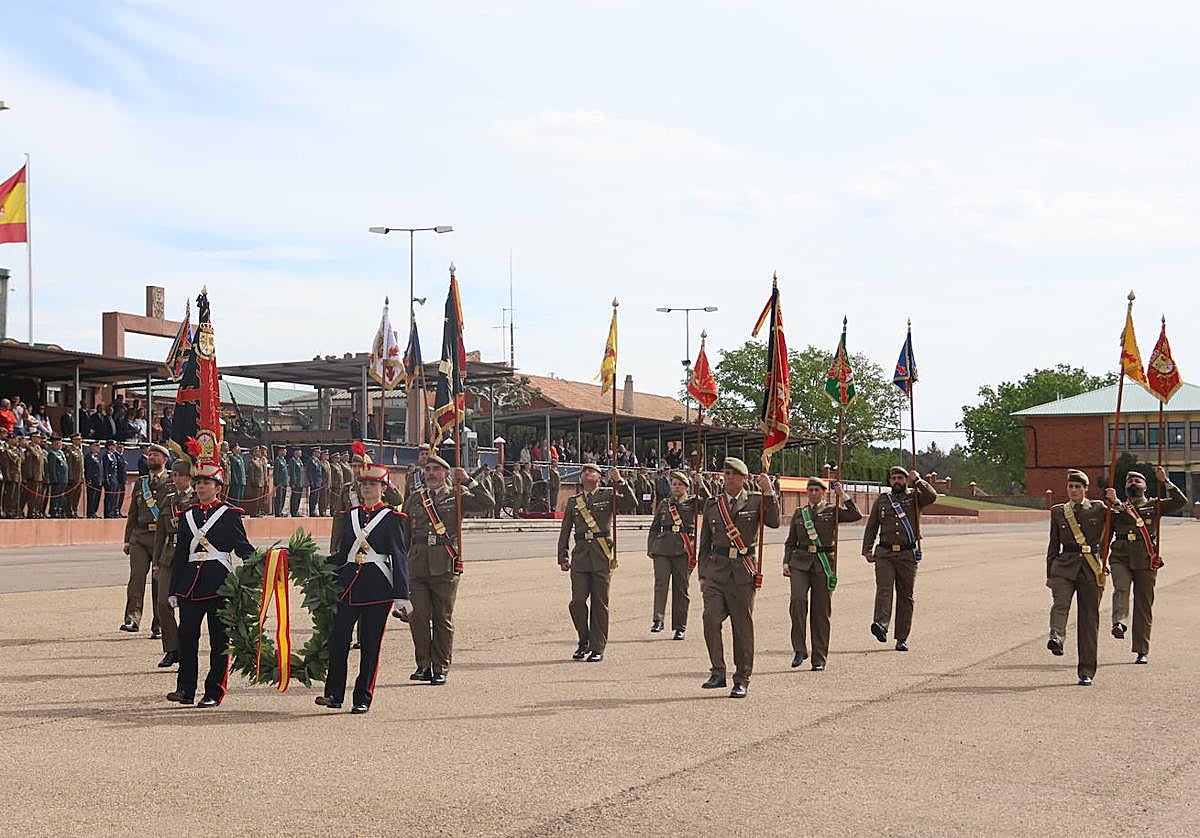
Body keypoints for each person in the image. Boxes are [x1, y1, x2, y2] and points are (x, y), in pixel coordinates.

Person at [318, 462, 410, 713]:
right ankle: (334, 695)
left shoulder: (393, 519)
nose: (367, 488)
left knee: (370, 646)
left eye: (373, 484)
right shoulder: (351, 516)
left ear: (383, 488)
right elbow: (343, 554)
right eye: (364, 484)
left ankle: (362, 698)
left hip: (377, 588)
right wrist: (313, 562)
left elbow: (399, 557)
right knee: (338, 641)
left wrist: (402, 596)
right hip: (347, 585)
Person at [167, 462, 255, 707]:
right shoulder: (187, 516)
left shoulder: (229, 515)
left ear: (218, 487)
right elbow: (181, 555)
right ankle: (185, 689)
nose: (201, 487)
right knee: (186, 640)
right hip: (190, 586)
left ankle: (214, 692)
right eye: (199, 483)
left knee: (219, 642)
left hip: (219, 585)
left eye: (207, 483)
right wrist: (174, 589)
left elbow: (243, 548)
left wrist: (261, 564)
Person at [400, 454, 493, 684]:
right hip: (417, 565)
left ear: (446, 473)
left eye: (436, 469)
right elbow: (404, 535)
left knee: (443, 618)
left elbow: (487, 503)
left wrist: (469, 480)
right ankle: (423, 665)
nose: (431, 473)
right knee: (417, 617)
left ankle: (440, 667)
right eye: (428, 469)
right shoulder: (414, 498)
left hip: (445, 564)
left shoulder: (457, 494)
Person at [696, 457, 780, 698]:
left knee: (742, 627)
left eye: (734, 473)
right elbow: (705, 543)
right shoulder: (713, 504)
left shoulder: (755, 500)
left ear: (744, 478)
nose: (728, 476)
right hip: (716, 572)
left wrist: (768, 492)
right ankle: (717, 671)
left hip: (743, 572)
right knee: (710, 618)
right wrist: (703, 574)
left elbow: (773, 522)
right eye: (726, 472)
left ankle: (742, 677)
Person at [1105, 467, 1188, 665]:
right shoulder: (1116, 507)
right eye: (1130, 481)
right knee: (1121, 587)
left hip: (1146, 559)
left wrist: (1165, 481)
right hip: (1120, 557)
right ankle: (1119, 623)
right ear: (1125, 487)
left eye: (1137, 481)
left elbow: (1181, 502)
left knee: (1144, 606)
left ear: (1145, 486)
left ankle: (1141, 650)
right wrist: (1101, 561)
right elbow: (1106, 535)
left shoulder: (1154, 505)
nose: (1133, 483)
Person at [556, 464, 635, 663]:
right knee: (577, 602)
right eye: (584, 471)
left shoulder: (608, 495)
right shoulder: (574, 502)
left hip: (601, 555)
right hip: (581, 557)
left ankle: (597, 646)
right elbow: (565, 530)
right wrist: (562, 557)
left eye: (591, 471)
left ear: (600, 477)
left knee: (600, 604)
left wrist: (620, 481)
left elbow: (631, 503)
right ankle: (584, 640)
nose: (587, 473)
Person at [783, 477, 861, 671]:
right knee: (797, 601)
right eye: (810, 490)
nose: (813, 493)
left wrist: (842, 495)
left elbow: (855, 515)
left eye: (817, 490)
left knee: (821, 612)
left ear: (824, 492)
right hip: (800, 562)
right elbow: (790, 541)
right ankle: (799, 649)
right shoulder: (800, 513)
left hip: (823, 564)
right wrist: (786, 561)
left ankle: (819, 658)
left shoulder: (832, 511)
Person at [861, 466, 938, 652]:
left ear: (906, 480)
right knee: (884, 590)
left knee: (906, 596)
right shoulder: (883, 500)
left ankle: (902, 637)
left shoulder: (915, 498)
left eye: (900, 478)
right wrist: (867, 548)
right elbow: (872, 526)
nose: (897, 481)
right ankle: (881, 625)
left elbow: (932, 496)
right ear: (890, 481)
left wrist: (918, 480)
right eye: (894, 478)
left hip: (907, 555)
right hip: (885, 553)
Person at [1046, 469, 1109, 686]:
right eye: (1070, 487)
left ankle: (1086, 671)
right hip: (1064, 566)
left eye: (1077, 487)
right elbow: (1053, 544)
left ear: (1085, 489)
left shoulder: (1099, 508)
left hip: (1090, 568)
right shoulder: (1058, 511)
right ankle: (1056, 638)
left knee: (1089, 620)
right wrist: (1049, 573)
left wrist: (1115, 501)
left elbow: (1121, 520)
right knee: (1060, 604)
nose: (1073, 490)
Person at [120, 444, 171, 635]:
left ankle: (159, 623)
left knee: (160, 581)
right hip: (140, 538)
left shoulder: (171, 482)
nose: (151, 458)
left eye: (156, 455)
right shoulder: (141, 483)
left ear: (165, 459)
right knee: (136, 578)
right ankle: (132, 618)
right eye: (150, 455)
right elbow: (132, 513)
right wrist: (127, 539)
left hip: (162, 538)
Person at [646, 470, 699, 640]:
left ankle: (680, 626)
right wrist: (651, 547)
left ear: (686, 487)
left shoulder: (693, 503)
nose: (676, 487)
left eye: (680, 485)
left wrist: (701, 483)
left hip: (683, 550)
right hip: (662, 548)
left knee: (681, 589)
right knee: (660, 584)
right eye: (674, 484)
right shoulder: (664, 504)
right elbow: (654, 527)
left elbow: (710, 502)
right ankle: (658, 619)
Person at [152, 459, 195, 669]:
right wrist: (156, 563)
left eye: (179, 475)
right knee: (162, 604)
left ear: (188, 477)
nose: (175, 478)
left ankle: (185, 650)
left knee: (187, 607)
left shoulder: (196, 499)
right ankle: (171, 649)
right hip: (168, 557)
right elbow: (160, 535)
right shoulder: (167, 500)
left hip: (189, 558)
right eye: (174, 475)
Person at [21, 432, 47, 518]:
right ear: (32, 438)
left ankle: (36, 511)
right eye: (37, 437)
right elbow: (34, 458)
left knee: (38, 497)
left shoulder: (39, 448)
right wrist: (29, 446)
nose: (39, 439)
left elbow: (42, 462)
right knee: (32, 496)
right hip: (33, 476)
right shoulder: (29, 449)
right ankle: (31, 512)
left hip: (40, 476)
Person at [45, 436, 68, 518]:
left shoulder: (61, 453)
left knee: (61, 496)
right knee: (56, 495)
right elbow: (52, 468)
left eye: (60, 443)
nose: (59, 445)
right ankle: (54, 510)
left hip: (63, 478)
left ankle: (59, 509)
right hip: (57, 479)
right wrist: (54, 479)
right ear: (53, 444)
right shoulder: (52, 454)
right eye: (57, 443)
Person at [64, 433, 84, 518]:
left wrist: (82, 476)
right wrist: (70, 477)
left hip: (79, 478)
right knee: (70, 496)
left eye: (80, 439)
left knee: (77, 496)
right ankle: (69, 511)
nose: (80, 441)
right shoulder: (70, 450)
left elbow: (81, 465)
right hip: (73, 478)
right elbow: (69, 464)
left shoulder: (79, 450)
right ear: (73, 440)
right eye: (78, 439)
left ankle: (75, 510)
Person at [103, 441, 125, 518]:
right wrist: (106, 479)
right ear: (109, 446)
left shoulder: (113, 456)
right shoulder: (106, 456)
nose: (115, 447)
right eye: (113, 445)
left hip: (114, 478)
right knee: (109, 497)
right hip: (110, 478)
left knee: (114, 497)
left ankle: (112, 511)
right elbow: (105, 469)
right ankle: (108, 512)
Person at [245, 445, 267, 517]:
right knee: (256, 499)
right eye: (257, 451)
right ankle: (254, 513)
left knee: (260, 499)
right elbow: (251, 473)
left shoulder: (260, 461)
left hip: (261, 482)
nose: (259, 452)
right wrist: (253, 481)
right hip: (256, 483)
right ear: (254, 452)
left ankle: (258, 511)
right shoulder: (252, 461)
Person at [84, 441, 103, 518]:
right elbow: (88, 469)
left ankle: (94, 511)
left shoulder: (99, 457)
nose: (98, 447)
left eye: (99, 446)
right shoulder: (88, 457)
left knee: (97, 498)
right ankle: (90, 513)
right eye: (96, 445)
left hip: (99, 480)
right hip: (92, 480)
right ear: (91, 447)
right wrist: (88, 479)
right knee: (91, 497)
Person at [227, 443, 247, 508]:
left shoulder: (240, 457)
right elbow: (233, 470)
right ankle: (235, 511)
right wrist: (235, 480)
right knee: (235, 497)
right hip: (236, 481)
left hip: (242, 480)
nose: (239, 449)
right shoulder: (232, 457)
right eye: (237, 447)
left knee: (240, 497)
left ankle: (239, 510)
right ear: (233, 449)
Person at [272, 445, 290, 517]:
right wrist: (276, 482)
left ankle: (280, 511)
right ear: (280, 451)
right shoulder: (277, 460)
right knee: (279, 498)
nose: (286, 452)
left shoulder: (284, 460)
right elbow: (276, 472)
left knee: (283, 498)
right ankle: (277, 512)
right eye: (284, 450)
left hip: (284, 482)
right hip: (280, 482)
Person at [305, 448, 324, 517]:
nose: (319, 453)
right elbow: (309, 472)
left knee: (316, 498)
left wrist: (320, 481)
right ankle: (311, 511)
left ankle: (314, 510)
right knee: (312, 497)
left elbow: (320, 473)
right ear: (314, 452)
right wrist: (311, 482)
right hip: (314, 483)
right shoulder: (310, 461)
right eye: (317, 452)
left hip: (318, 482)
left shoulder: (318, 461)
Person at [288, 447, 306, 516]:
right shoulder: (292, 460)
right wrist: (293, 482)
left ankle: (296, 510)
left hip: (300, 482)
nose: (301, 453)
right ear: (296, 452)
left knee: (298, 498)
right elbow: (293, 472)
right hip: (295, 483)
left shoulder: (299, 460)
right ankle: (293, 512)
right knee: (294, 498)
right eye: (299, 451)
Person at [318, 449, 332, 516]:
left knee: (327, 498)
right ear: (322, 455)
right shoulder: (320, 463)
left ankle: (325, 510)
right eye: (326, 455)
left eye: (327, 455)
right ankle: (322, 511)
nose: (327, 456)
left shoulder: (327, 463)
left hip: (328, 483)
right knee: (322, 498)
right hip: (323, 484)